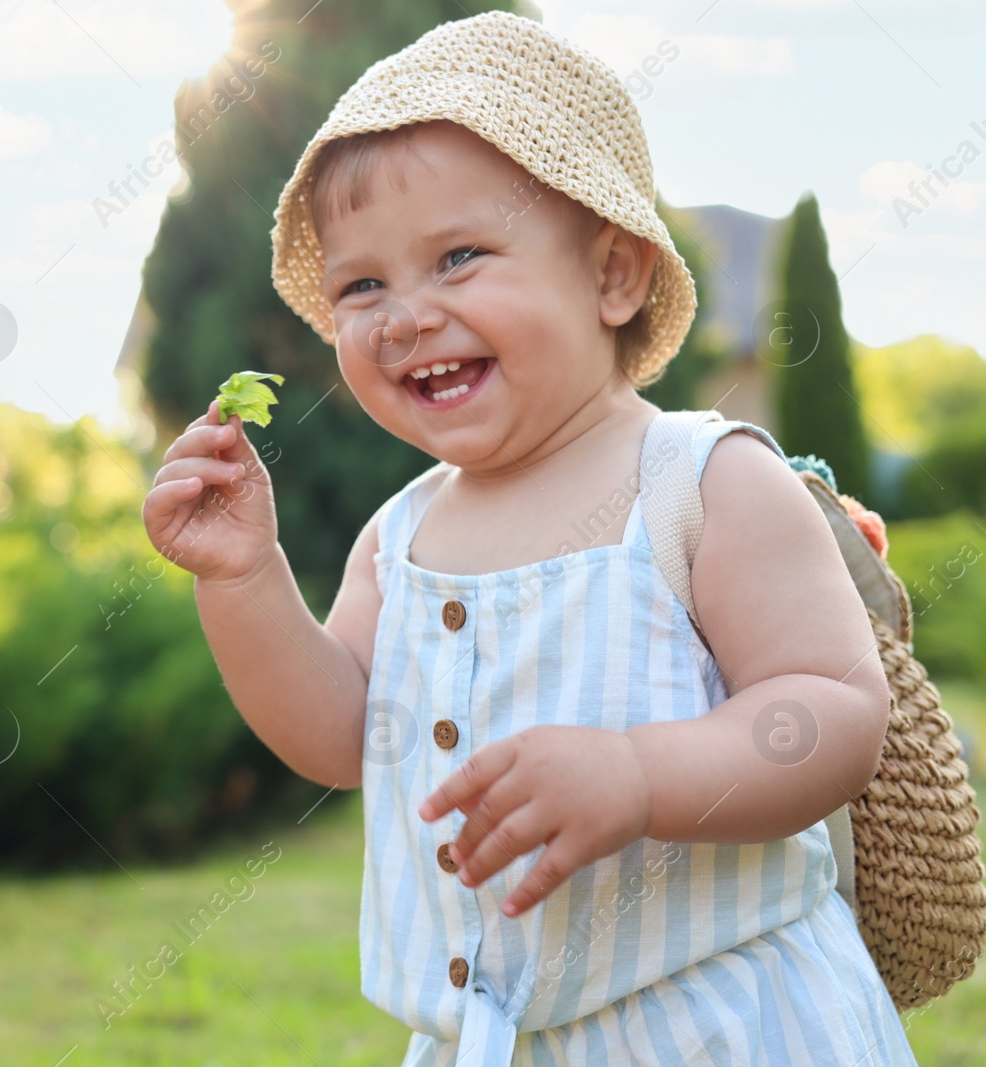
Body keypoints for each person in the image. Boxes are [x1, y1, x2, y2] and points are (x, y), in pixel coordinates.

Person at [140, 11, 919, 1066]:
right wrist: (244, 577)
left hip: (729, 1022)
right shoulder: (404, 532)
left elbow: (829, 712)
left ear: (613, 275)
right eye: (361, 284)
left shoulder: (704, 481)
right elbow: (338, 732)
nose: (402, 315)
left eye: (457, 257)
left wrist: (640, 775)